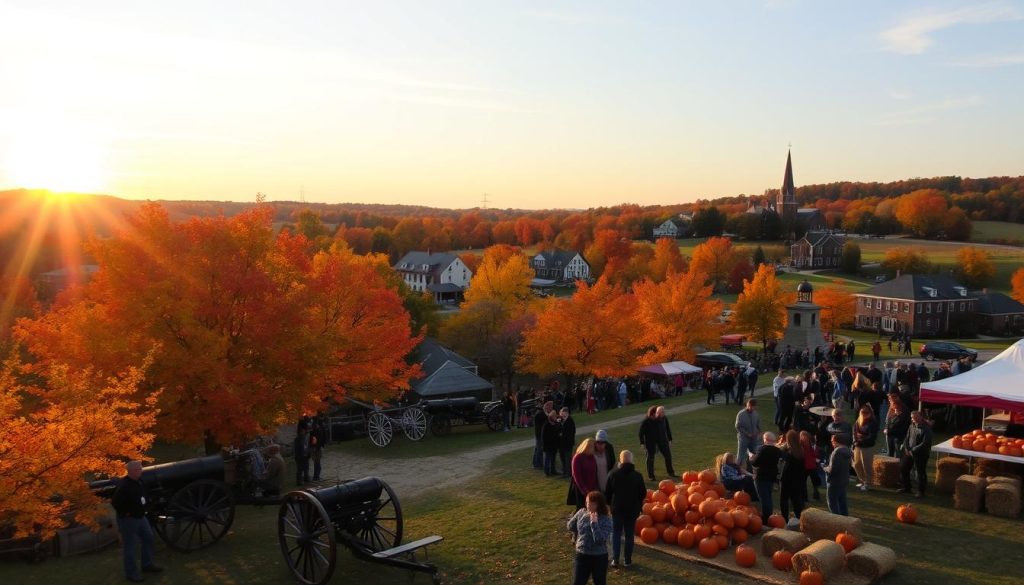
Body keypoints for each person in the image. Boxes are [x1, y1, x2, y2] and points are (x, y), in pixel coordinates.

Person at [112, 461, 162, 582]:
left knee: (148, 538)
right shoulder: (124, 485)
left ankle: (147, 564)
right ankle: (131, 574)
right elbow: (116, 502)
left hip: (141, 517)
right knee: (130, 546)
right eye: (139, 469)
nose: (141, 471)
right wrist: (126, 513)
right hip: (129, 520)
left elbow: (144, 495)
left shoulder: (139, 481)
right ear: (133, 471)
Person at [604, 450, 646, 569]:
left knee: (616, 533)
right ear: (632, 460)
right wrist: (638, 503)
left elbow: (607, 492)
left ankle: (616, 559)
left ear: (620, 460)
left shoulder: (613, 474)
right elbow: (642, 493)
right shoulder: (637, 476)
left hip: (617, 508)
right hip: (632, 509)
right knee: (629, 534)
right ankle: (627, 560)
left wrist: (609, 504)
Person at [567, 490, 613, 585]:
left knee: (599, 582)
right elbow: (570, 526)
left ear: (599, 505)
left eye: (592, 504)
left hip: (599, 557)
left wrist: (594, 523)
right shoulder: (581, 513)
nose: (588, 506)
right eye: (587, 502)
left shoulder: (606, 520)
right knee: (578, 582)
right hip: (582, 554)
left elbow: (599, 540)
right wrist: (577, 520)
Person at [900, 410, 933, 498]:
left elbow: (925, 443)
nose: (913, 419)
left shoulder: (926, 428)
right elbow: (907, 437)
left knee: (920, 473)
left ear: (921, 417)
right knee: (904, 468)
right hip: (909, 452)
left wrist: (913, 450)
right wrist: (906, 448)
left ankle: (921, 491)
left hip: (921, 454)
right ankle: (906, 487)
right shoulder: (911, 426)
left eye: (915, 417)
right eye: (912, 418)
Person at [749, 432, 781, 523]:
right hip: (771, 476)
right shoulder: (777, 451)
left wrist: (751, 456)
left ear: (765, 440)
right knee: (768, 496)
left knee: (764, 498)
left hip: (761, 476)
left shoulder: (762, 449)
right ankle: (770, 515)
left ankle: (766, 518)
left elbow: (755, 462)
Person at [639, 406, 675, 480]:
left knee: (668, 456)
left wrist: (670, 439)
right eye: (661, 413)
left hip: (662, 440)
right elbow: (641, 433)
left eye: (663, 412)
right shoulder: (646, 421)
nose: (663, 414)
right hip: (651, 442)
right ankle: (651, 476)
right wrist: (642, 443)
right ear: (654, 414)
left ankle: (671, 472)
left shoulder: (664, 418)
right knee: (650, 458)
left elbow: (667, 428)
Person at [778, 430, 805, 522]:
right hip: (797, 479)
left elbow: (785, 468)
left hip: (787, 480)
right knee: (796, 499)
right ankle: (800, 517)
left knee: (784, 499)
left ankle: (784, 519)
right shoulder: (800, 450)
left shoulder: (789, 453)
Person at [823, 434, 853, 516]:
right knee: (842, 501)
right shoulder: (848, 451)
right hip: (844, 480)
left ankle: (837, 520)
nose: (832, 443)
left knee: (832, 502)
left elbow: (833, 470)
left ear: (837, 441)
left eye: (832, 441)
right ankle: (845, 519)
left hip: (834, 481)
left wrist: (824, 468)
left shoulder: (836, 452)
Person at [852, 405, 878, 491]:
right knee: (856, 464)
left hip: (867, 447)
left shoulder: (873, 422)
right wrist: (855, 440)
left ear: (870, 413)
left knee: (866, 465)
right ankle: (862, 480)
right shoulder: (858, 421)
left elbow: (872, 436)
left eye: (866, 412)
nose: (864, 414)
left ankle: (868, 483)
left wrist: (860, 439)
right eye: (862, 412)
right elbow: (854, 432)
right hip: (858, 446)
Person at [735, 399, 762, 471]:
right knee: (741, 454)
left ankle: (751, 469)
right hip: (743, 438)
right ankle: (737, 469)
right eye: (752, 407)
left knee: (754, 453)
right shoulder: (741, 414)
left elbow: (758, 424)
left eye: (754, 407)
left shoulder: (756, 414)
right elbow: (738, 426)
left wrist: (759, 432)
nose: (753, 408)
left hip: (754, 438)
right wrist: (747, 433)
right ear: (748, 405)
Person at [799, 431, 822, 501]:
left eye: (805, 436)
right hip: (807, 465)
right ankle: (806, 497)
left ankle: (812, 496)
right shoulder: (803, 444)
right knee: (805, 482)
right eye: (803, 436)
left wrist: (815, 458)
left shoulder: (809, 444)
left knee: (812, 482)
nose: (804, 437)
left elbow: (813, 454)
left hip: (809, 465)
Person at [534, 401, 554, 469]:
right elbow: (547, 419)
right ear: (546, 407)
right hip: (540, 434)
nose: (551, 409)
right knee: (539, 449)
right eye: (550, 407)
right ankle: (538, 464)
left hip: (540, 434)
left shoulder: (542, 413)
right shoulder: (540, 414)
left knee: (537, 449)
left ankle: (536, 463)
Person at [543, 411, 562, 477]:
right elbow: (544, 436)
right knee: (547, 459)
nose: (555, 417)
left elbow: (559, 430)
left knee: (553, 459)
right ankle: (547, 472)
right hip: (548, 445)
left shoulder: (555, 423)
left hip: (554, 445)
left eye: (555, 416)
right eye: (554, 416)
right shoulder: (546, 425)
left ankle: (553, 470)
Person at [559, 407, 577, 477]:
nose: (562, 414)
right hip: (562, 444)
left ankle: (568, 472)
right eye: (561, 413)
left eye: (563, 413)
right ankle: (565, 471)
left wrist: (562, 434)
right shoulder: (561, 420)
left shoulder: (570, 421)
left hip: (567, 443)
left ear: (567, 413)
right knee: (563, 458)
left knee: (567, 458)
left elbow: (572, 432)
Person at [310, 416, 326, 482]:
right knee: (317, 464)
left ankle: (316, 477)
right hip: (316, 448)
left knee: (317, 463)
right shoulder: (316, 430)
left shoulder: (314, 429)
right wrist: (316, 447)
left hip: (316, 448)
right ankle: (316, 477)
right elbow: (317, 440)